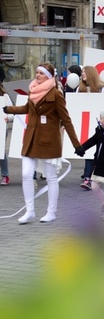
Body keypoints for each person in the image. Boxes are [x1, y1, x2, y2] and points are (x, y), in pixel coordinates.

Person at [3, 63, 82, 224]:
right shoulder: (32, 90)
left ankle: (51, 212)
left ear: (49, 76)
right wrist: (9, 109)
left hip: (49, 140)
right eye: (36, 72)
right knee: (26, 174)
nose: (37, 75)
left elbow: (66, 120)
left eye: (41, 73)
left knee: (51, 177)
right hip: (31, 139)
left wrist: (77, 145)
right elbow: (27, 108)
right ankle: (30, 211)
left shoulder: (56, 94)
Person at [74, 106, 104, 222]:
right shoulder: (100, 130)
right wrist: (82, 148)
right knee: (94, 186)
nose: (100, 120)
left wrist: (101, 135)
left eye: (102, 118)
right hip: (100, 162)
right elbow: (93, 140)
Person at [77, 65, 104, 191]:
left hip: (98, 125)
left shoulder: (101, 90)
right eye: (82, 72)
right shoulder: (80, 89)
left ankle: (94, 175)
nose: (82, 74)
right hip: (85, 124)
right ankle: (88, 177)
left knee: (98, 153)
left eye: (84, 72)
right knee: (89, 152)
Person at [0, 83, 10, 186]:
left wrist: (8, 118)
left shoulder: (4, 96)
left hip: (1, 126)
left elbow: (10, 110)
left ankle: (5, 175)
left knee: (1, 151)